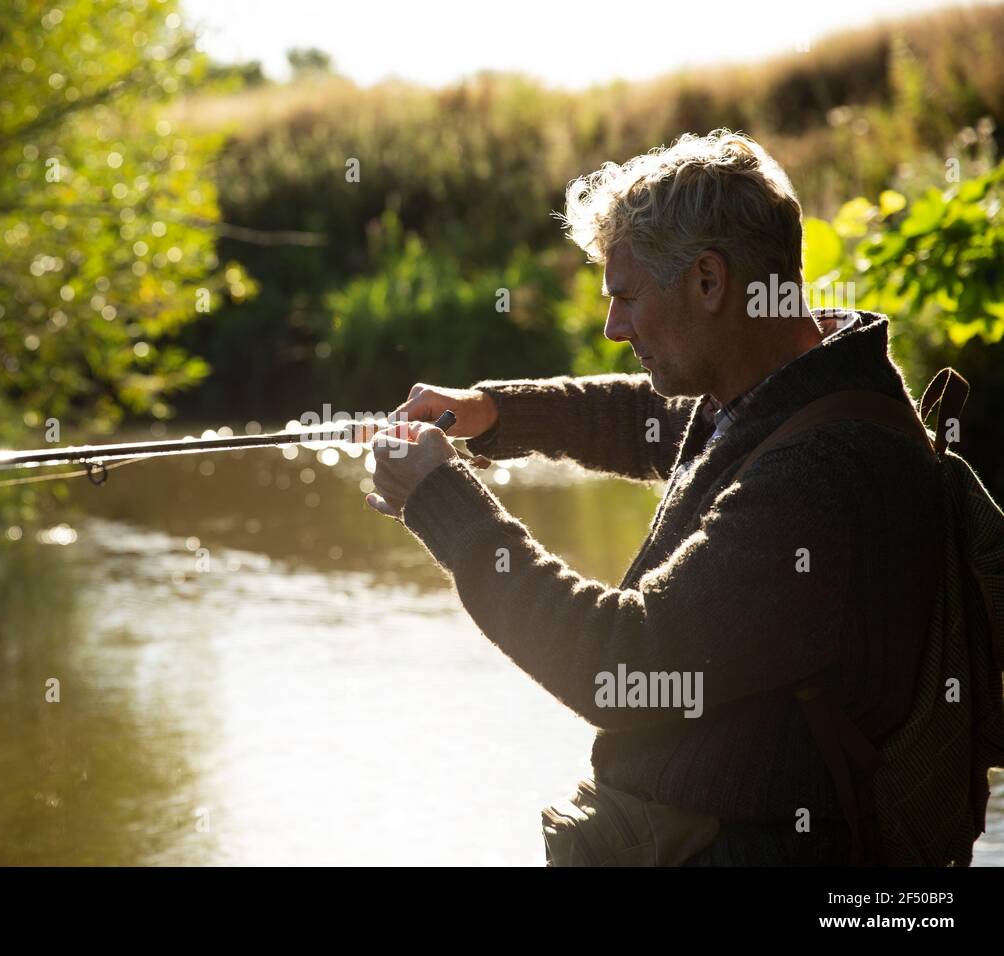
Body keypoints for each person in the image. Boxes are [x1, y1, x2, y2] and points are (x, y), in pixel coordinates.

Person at [365, 129, 943, 865]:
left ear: (709, 281)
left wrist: (440, 500)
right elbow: (646, 421)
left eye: (628, 298)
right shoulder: (788, 380)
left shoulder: (821, 474)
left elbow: (623, 669)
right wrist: (493, 410)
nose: (613, 328)